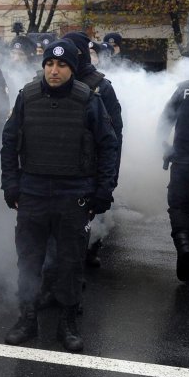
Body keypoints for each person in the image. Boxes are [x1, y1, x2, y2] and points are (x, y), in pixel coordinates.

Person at [1, 39, 118, 353]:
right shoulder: (27, 96)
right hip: (33, 193)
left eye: (62, 65)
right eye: (50, 65)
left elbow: (108, 146)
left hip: (72, 194)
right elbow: (9, 143)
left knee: (69, 263)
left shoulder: (89, 100)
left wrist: (102, 191)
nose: (54, 70)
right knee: (28, 261)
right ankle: (27, 318)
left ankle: (68, 323)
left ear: (72, 68)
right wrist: (10, 185)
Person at [62, 31, 124, 267]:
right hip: (55, 171)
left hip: (89, 173)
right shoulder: (47, 81)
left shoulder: (101, 87)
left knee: (83, 231)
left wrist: (109, 180)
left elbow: (114, 138)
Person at [157, 55, 189, 283]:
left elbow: (164, 122)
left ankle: (183, 245)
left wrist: (166, 147)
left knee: (179, 207)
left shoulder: (185, 89)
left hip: (183, 162)